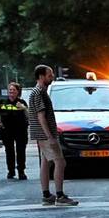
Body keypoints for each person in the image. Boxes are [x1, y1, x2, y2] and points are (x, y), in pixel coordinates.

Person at [27, 65, 76, 206]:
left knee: (46, 162)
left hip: (41, 134)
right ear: (41, 76)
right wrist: (50, 137)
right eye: (49, 75)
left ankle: (46, 194)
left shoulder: (38, 92)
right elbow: (41, 116)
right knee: (60, 162)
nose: (52, 77)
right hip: (45, 135)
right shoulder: (39, 93)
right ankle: (60, 196)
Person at [0, 82, 30, 180]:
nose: (11, 92)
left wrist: (24, 108)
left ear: (18, 92)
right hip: (7, 130)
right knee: (9, 151)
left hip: (20, 130)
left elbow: (28, 115)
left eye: (14, 90)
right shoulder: (1, 102)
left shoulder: (22, 102)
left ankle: (21, 171)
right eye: (10, 90)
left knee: (21, 151)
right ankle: (11, 171)